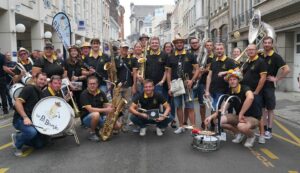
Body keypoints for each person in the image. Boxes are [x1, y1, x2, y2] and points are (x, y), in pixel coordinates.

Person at [205, 69, 261, 148]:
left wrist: (241, 113)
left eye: (234, 79)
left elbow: (250, 98)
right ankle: (238, 133)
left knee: (241, 126)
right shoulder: (230, 92)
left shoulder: (245, 88)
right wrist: (210, 117)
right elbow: (222, 109)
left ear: (238, 80)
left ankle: (251, 136)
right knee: (217, 121)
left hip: (253, 117)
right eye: (230, 80)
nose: (232, 81)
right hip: (239, 117)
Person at [166, 34, 200, 133]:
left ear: (183, 43)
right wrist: (169, 87)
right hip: (176, 85)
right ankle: (181, 126)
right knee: (179, 106)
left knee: (190, 106)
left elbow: (197, 69)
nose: (179, 44)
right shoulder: (170, 57)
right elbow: (168, 73)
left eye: (181, 42)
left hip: (187, 85)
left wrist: (192, 80)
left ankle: (193, 127)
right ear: (175, 44)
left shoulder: (190, 55)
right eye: (177, 43)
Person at [259, 36, 290, 139]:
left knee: (270, 109)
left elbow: (287, 69)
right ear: (263, 44)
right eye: (265, 43)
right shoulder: (260, 55)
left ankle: (269, 130)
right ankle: (263, 129)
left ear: (272, 44)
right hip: (260, 85)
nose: (267, 44)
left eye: (269, 43)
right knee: (262, 109)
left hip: (269, 86)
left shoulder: (276, 57)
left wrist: (276, 79)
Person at [11, 72, 48, 156]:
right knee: (31, 132)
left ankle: (18, 137)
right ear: (35, 79)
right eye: (40, 79)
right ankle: (17, 145)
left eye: (44, 80)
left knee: (40, 144)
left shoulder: (41, 92)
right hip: (20, 119)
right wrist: (25, 117)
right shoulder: (29, 88)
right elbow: (17, 102)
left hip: (33, 120)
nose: (42, 81)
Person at [241, 44, 267, 144]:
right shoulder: (247, 62)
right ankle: (248, 132)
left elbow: (263, 78)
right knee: (246, 113)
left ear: (256, 50)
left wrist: (256, 91)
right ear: (247, 51)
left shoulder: (261, 62)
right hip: (246, 91)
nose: (250, 51)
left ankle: (262, 135)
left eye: (252, 50)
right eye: (249, 50)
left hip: (255, 92)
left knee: (258, 114)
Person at [80, 76, 115, 142]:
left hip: (100, 116)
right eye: (90, 84)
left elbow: (105, 104)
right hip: (87, 118)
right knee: (96, 114)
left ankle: (98, 128)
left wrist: (113, 106)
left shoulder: (101, 92)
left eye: (94, 83)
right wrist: (106, 110)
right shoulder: (84, 94)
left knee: (117, 126)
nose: (92, 85)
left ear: (97, 84)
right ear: (87, 84)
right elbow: (90, 110)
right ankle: (92, 133)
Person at [115, 42, 138, 129]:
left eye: (126, 48)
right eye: (123, 48)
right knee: (117, 106)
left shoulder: (132, 59)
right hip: (117, 87)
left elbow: (135, 74)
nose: (125, 50)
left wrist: (134, 85)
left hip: (128, 86)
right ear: (120, 49)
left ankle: (124, 124)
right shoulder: (116, 59)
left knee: (127, 106)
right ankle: (117, 124)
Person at [196, 40, 215, 129]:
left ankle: (213, 122)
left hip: (213, 83)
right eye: (207, 45)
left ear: (213, 46)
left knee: (213, 105)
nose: (208, 47)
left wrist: (206, 70)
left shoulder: (215, 56)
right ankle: (203, 121)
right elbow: (197, 66)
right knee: (202, 104)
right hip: (202, 82)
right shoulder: (201, 56)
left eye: (210, 45)